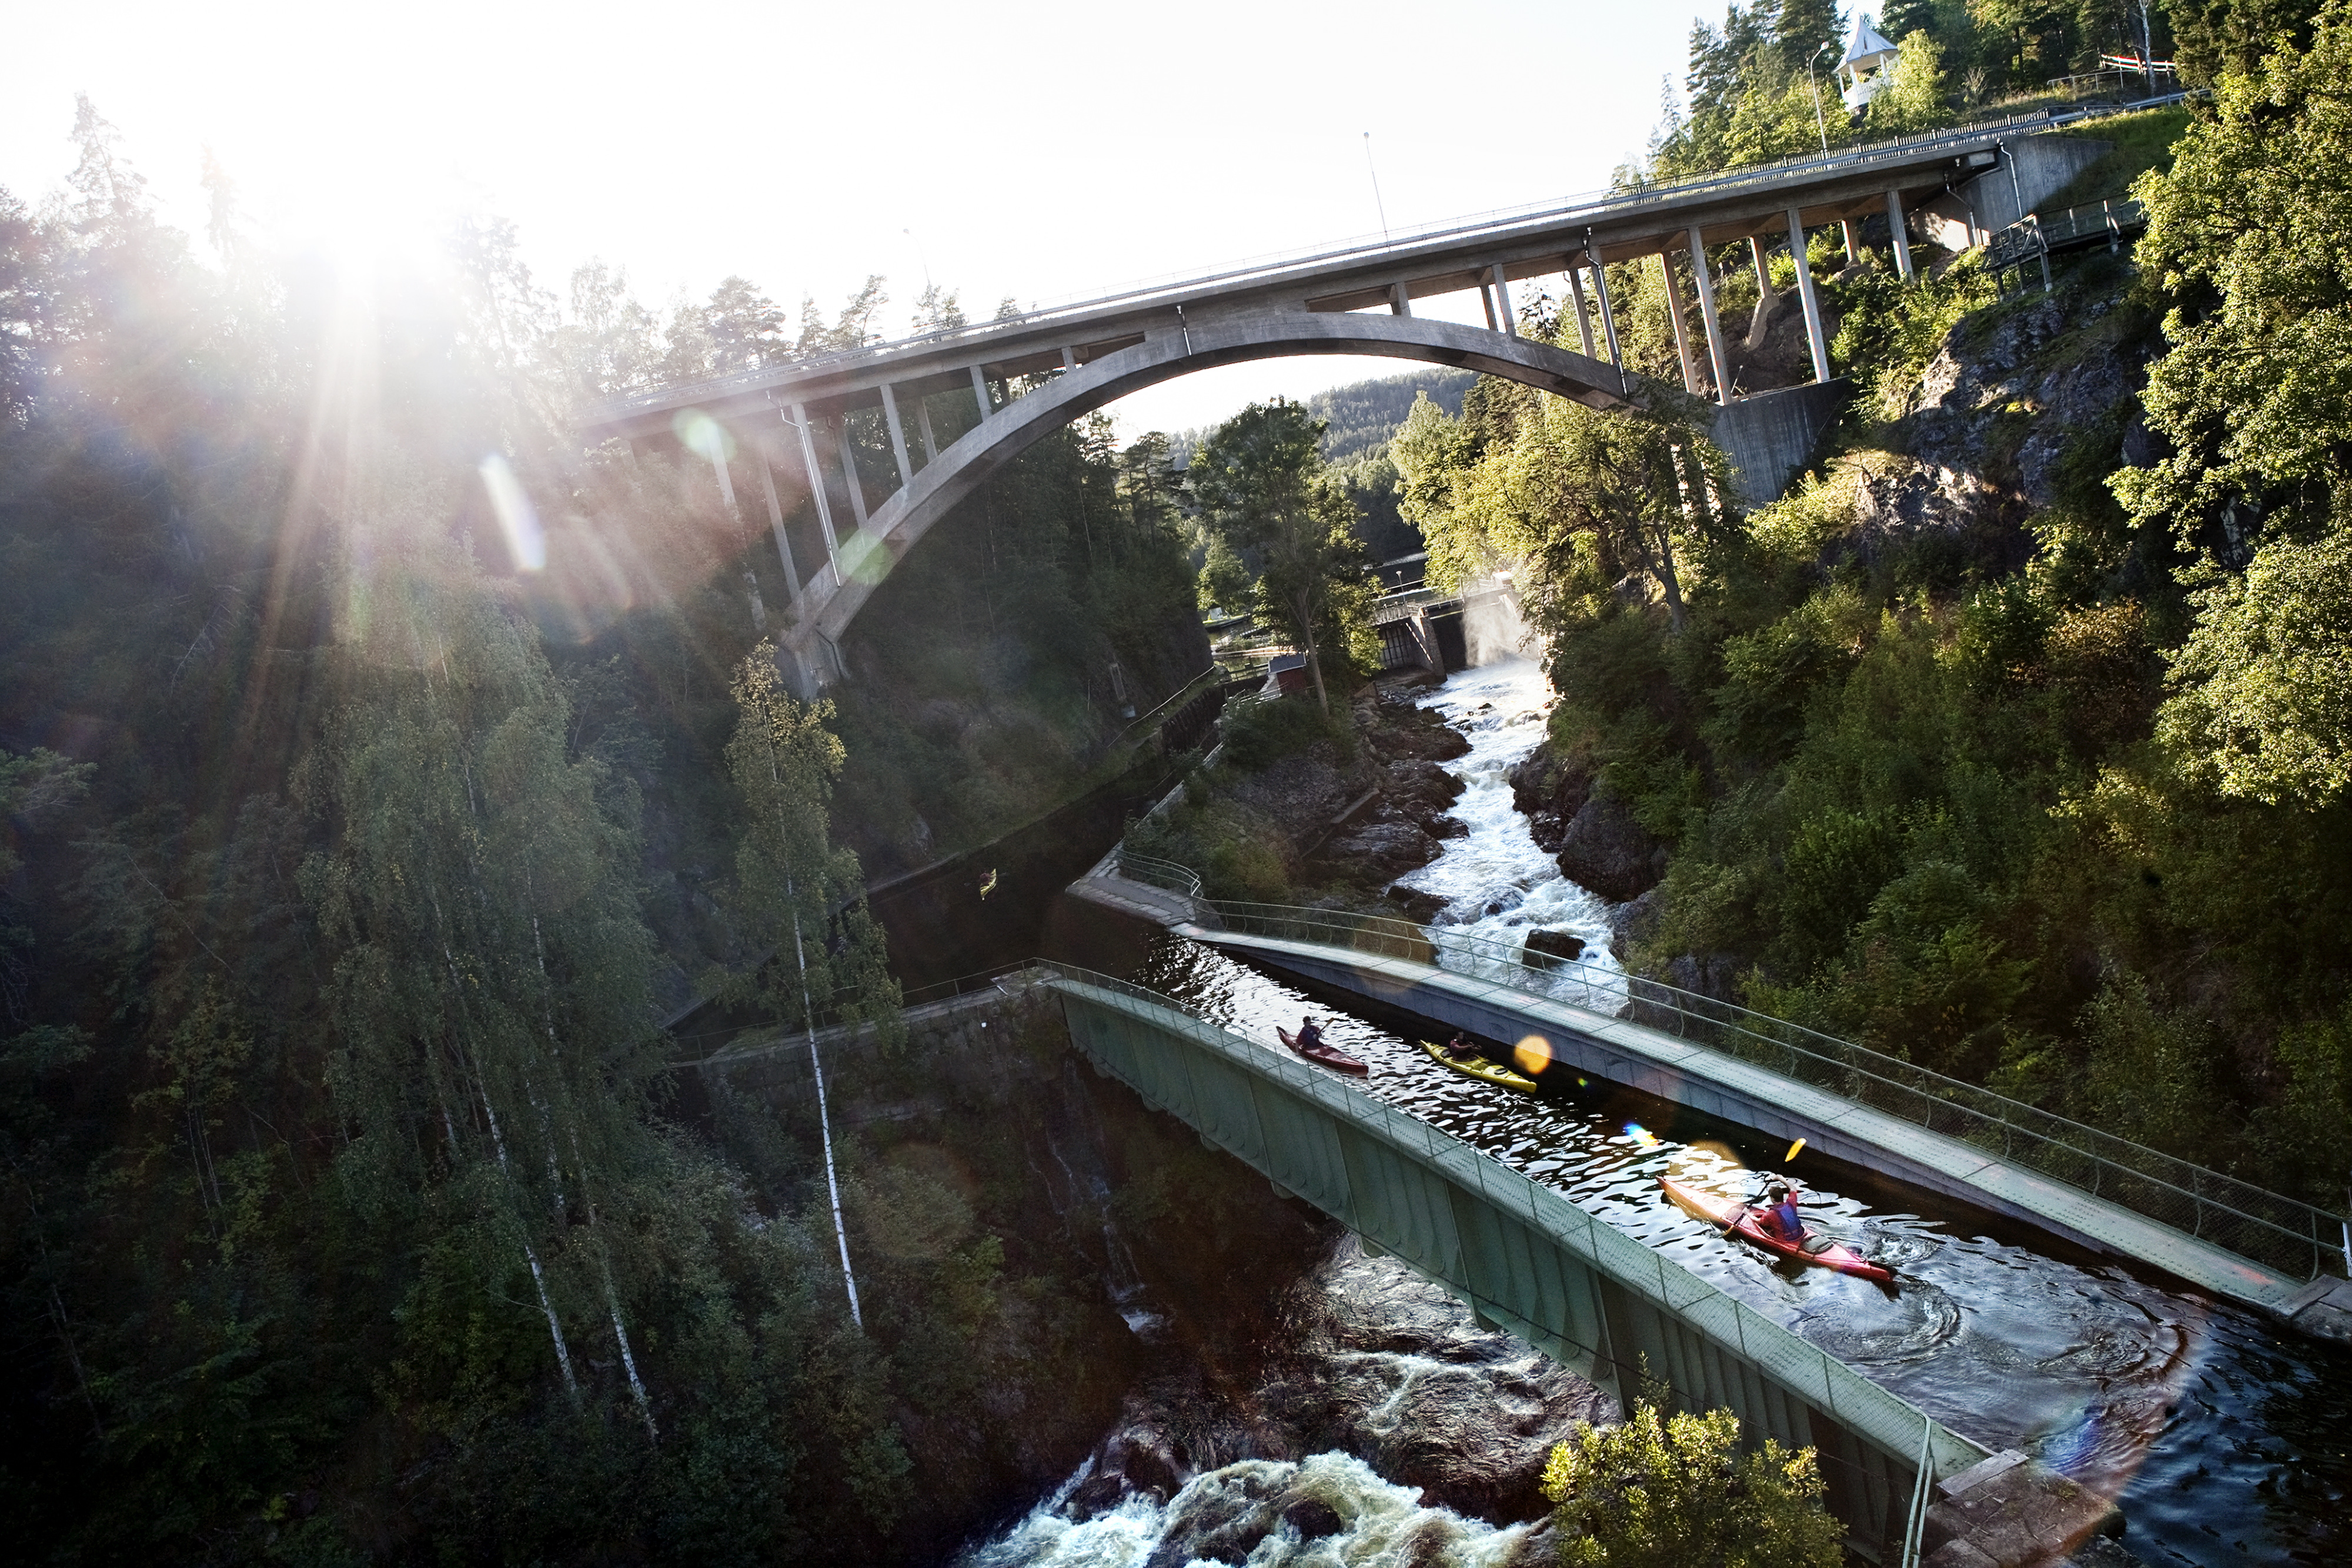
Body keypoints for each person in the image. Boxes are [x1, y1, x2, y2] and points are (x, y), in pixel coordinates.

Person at [1759, 1178, 1804, 1242]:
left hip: (1785, 1240)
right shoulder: (1791, 1203)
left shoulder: (1770, 1214)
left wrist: (1748, 1214)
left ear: (1773, 1199)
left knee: (1767, 1229)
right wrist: (1780, 1178)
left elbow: (1760, 1222)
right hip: (1800, 1234)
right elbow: (1793, 1188)